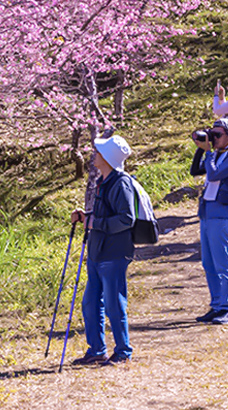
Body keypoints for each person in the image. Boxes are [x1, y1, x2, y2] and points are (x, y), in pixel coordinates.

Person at [69, 136, 135, 366]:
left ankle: (123, 350)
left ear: (107, 158)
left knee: (114, 303)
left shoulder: (121, 183)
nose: (94, 154)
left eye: (98, 152)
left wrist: (94, 223)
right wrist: (86, 217)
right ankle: (97, 350)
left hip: (114, 253)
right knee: (90, 303)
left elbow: (127, 219)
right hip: (98, 252)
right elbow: (105, 215)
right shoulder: (103, 181)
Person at [189, 119, 228, 325]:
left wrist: (208, 152)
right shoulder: (217, 154)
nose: (214, 139)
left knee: (223, 262)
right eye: (211, 134)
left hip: (222, 211)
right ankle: (216, 305)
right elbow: (195, 171)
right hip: (207, 211)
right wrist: (201, 148)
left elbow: (213, 174)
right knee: (209, 263)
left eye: (217, 135)